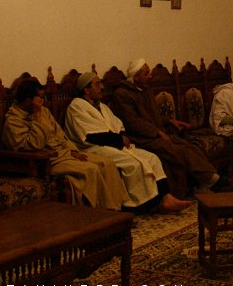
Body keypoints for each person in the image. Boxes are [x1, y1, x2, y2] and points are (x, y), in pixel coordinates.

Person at [110, 58, 233, 198]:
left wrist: (170, 121)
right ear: (136, 76)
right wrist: (158, 132)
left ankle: (208, 182)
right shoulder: (122, 94)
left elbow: (153, 115)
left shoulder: (144, 89)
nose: (150, 76)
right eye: (146, 74)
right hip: (141, 138)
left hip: (157, 133)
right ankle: (216, 181)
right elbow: (133, 123)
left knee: (190, 147)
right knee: (178, 151)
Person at [65, 72, 191, 214]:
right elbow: (89, 135)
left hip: (115, 144)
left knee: (152, 158)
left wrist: (123, 137)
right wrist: (119, 140)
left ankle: (167, 197)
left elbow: (117, 125)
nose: (101, 87)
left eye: (101, 83)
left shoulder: (101, 106)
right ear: (86, 90)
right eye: (97, 84)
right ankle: (143, 206)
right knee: (134, 164)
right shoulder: (77, 106)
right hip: (94, 148)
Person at [2, 79, 129, 209]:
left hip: (66, 153)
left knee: (107, 163)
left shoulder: (44, 112)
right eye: (39, 98)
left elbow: (60, 135)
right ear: (28, 101)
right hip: (48, 160)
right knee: (91, 169)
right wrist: (36, 118)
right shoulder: (13, 121)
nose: (42, 101)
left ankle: (117, 210)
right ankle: (97, 213)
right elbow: (34, 145)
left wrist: (73, 151)